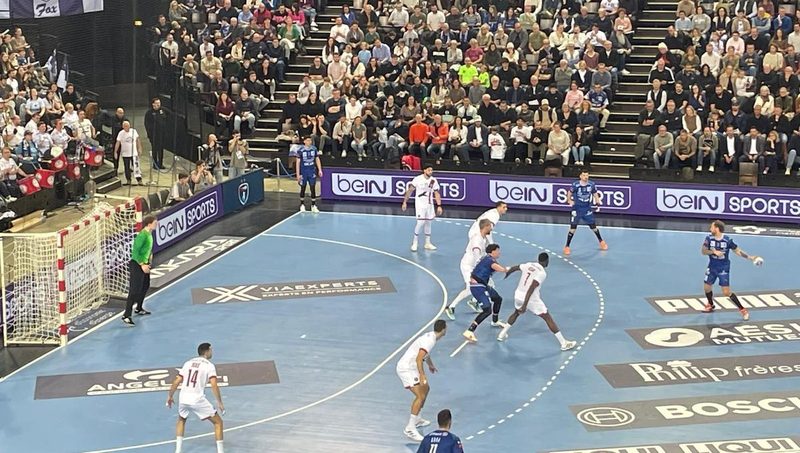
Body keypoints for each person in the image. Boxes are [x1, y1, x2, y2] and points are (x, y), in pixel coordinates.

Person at [498, 253, 577, 350]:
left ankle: (502, 334)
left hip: (518, 294)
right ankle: (563, 343)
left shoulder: (529, 264)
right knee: (547, 317)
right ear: (546, 261)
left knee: (516, 313)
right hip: (530, 299)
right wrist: (525, 305)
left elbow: (516, 267)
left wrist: (508, 273)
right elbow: (531, 287)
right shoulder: (542, 273)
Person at [166, 342, 225, 453]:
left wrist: (170, 395)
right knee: (218, 423)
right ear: (207, 351)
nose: (212, 352)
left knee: (181, 419)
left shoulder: (188, 363)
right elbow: (214, 384)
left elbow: (177, 381)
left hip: (183, 398)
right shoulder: (209, 365)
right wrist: (220, 402)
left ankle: (178, 451)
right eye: (211, 350)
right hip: (197, 399)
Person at [701, 220, 763, 320]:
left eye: (712, 227)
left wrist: (750, 257)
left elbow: (737, 251)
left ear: (717, 228)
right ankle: (711, 305)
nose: (710, 229)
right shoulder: (708, 238)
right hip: (712, 266)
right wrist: (713, 251)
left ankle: (743, 310)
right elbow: (703, 251)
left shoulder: (727, 240)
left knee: (726, 292)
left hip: (723, 268)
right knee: (707, 287)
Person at [396, 319, 447, 442]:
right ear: (444, 330)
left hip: (412, 367)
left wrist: (430, 365)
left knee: (426, 389)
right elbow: (419, 359)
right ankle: (410, 427)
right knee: (420, 396)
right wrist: (422, 375)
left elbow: (425, 355)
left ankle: (417, 418)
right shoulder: (430, 340)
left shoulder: (431, 337)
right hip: (407, 368)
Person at [445, 218, 493, 320]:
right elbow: (477, 257)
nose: (491, 228)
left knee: (490, 285)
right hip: (468, 266)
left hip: (476, 266)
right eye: (490, 226)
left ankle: (474, 301)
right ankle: (451, 307)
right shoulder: (477, 240)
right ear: (485, 227)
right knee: (471, 288)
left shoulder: (484, 238)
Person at [463, 244, 511, 343]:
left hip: (483, 285)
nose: (499, 252)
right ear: (492, 251)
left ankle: (495, 321)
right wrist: (507, 269)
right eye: (498, 250)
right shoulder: (490, 260)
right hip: (477, 287)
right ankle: (470, 331)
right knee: (487, 310)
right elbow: (498, 268)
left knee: (497, 299)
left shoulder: (487, 258)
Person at [563, 169, 608, 256]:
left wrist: (597, 200)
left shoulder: (591, 184)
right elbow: (569, 192)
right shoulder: (575, 185)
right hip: (577, 209)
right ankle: (567, 246)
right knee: (573, 228)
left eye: (587, 175)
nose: (586, 177)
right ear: (580, 176)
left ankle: (601, 241)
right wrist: (569, 200)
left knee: (593, 227)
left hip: (587, 208)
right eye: (584, 175)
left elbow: (595, 193)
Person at [122, 215, 156, 326]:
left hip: (145, 263)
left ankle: (139, 308)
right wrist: (142, 265)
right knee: (134, 290)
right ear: (149, 224)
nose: (157, 224)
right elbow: (135, 252)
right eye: (155, 222)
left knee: (145, 285)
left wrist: (150, 257)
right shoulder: (142, 236)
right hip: (137, 265)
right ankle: (127, 315)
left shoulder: (149, 234)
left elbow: (147, 249)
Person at [401, 165, 444, 252]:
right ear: (424, 170)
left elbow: (436, 193)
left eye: (431, 170)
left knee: (428, 222)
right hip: (420, 204)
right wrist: (405, 202)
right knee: (420, 222)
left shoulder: (433, 180)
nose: (431, 172)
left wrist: (439, 205)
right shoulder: (417, 179)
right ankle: (415, 242)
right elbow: (410, 190)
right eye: (429, 170)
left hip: (429, 204)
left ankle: (427, 243)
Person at [295, 136, 323, 213]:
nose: (309, 142)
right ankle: (302, 204)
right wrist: (298, 174)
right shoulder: (300, 150)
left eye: (310, 140)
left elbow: (317, 159)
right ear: (304, 141)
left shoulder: (314, 149)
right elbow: (298, 163)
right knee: (303, 187)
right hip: (304, 171)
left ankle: (313, 205)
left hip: (311, 171)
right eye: (307, 140)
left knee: (312, 187)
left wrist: (320, 169)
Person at [113, 120, 143, 186]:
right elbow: (118, 142)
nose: (127, 127)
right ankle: (128, 180)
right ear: (123, 127)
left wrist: (139, 148)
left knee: (136, 166)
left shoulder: (134, 131)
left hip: (134, 153)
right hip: (125, 153)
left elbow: (138, 140)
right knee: (127, 167)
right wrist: (115, 152)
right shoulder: (121, 133)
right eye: (125, 126)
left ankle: (139, 180)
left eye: (128, 126)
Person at [144, 98, 167, 170]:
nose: (158, 104)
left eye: (159, 103)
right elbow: (147, 124)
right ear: (153, 104)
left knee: (161, 149)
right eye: (157, 103)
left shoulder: (162, 110)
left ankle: (160, 163)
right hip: (154, 135)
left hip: (161, 134)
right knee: (155, 149)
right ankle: (155, 164)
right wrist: (149, 134)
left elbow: (165, 119)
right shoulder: (149, 113)